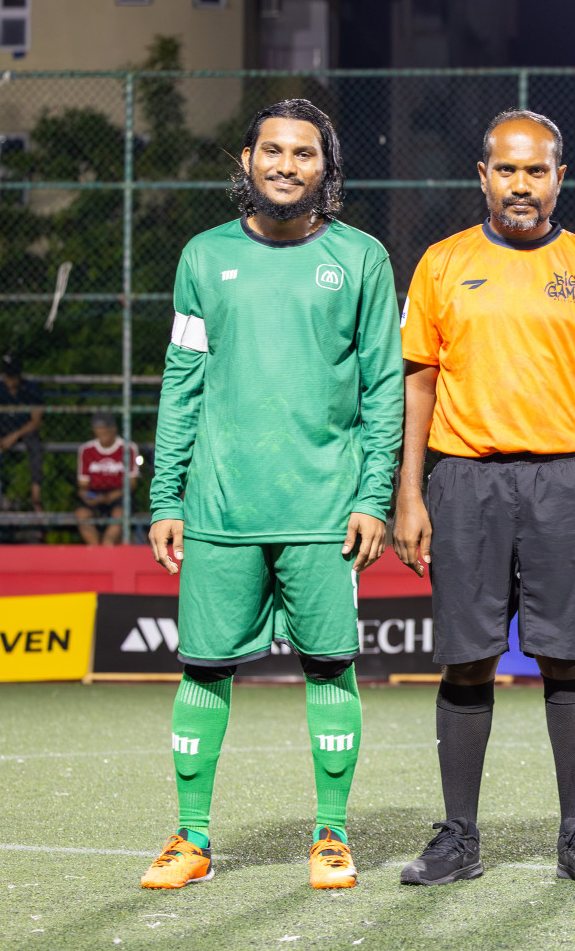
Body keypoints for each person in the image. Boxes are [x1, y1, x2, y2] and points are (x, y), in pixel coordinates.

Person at [141, 99, 402, 891]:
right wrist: (166, 497)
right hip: (221, 509)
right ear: (246, 161)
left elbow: (384, 386)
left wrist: (375, 494)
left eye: (304, 153)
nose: (287, 165)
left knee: (330, 667)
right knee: (203, 669)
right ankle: (190, 838)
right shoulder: (202, 258)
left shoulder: (362, 260)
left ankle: (331, 835)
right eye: (272, 151)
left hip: (325, 510)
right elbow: (182, 383)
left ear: (327, 168)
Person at [393, 109, 575, 888]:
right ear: (483, 176)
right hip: (464, 480)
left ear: (560, 177)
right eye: (507, 169)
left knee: (566, 655)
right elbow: (418, 384)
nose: (521, 185)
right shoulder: (441, 264)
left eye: (537, 171)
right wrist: (408, 492)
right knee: (467, 661)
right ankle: (458, 838)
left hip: (567, 481)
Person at [75, 412, 140, 546]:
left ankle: (107, 547)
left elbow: (131, 484)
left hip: (119, 495)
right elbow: (83, 484)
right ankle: (96, 553)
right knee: (82, 514)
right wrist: (86, 495)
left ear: (113, 429)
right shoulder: (86, 450)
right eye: (98, 430)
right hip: (95, 494)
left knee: (118, 514)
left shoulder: (128, 448)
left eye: (105, 430)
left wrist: (110, 497)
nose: (101, 433)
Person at [0, 352, 44, 513]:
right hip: (1, 429)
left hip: (23, 429)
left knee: (36, 446)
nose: (11, 381)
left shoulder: (30, 388)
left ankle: (36, 497)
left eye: (14, 377)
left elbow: (35, 421)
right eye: (7, 377)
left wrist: (15, 435)